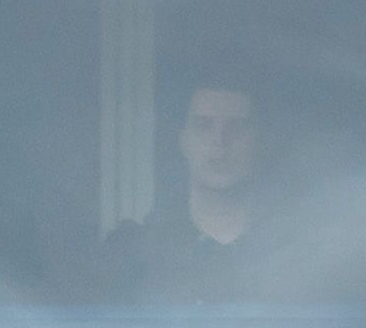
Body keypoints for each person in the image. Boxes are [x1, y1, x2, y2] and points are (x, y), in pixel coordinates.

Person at [110, 76, 319, 302]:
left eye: (237, 127)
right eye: (203, 125)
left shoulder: (303, 254)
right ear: (183, 140)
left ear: (260, 142)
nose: (220, 140)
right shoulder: (133, 257)